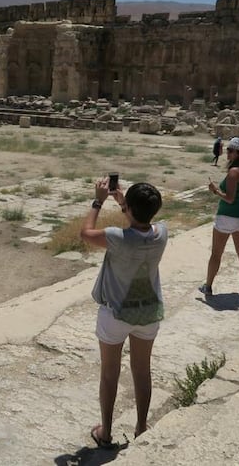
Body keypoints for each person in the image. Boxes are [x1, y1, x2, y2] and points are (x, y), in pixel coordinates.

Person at [80, 179, 168, 448]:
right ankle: (141, 427)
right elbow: (142, 224)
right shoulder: (162, 233)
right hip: (148, 311)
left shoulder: (117, 238)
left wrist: (98, 200)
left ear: (129, 208)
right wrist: (124, 204)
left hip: (115, 314)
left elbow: (86, 233)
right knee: (142, 371)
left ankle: (106, 432)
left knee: (110, 374)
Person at [199, 137, 239, 298]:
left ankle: (208, 286)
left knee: (216, 254)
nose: (227, 153)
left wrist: (215, 190)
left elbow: (229, 198)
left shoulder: (234, 172)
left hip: (226, 216)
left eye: (230, 150)